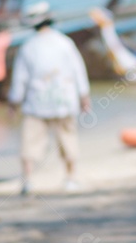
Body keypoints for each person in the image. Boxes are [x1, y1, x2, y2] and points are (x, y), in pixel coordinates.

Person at [7, 12, 91, 195]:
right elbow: (78, 71)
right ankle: (71, 178)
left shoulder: (28, 46)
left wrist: (13, 103)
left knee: (30, 142)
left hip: (36, 103)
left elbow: (19, 79)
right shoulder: (65, 43)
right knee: (68, 139)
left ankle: (27, 181)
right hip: (65, 100)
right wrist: (84, 96)